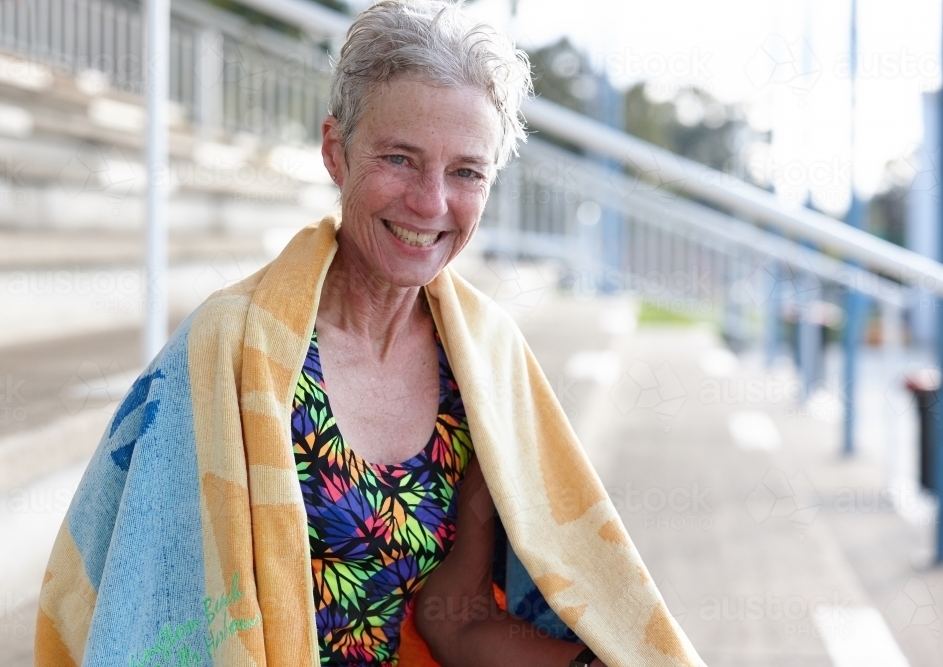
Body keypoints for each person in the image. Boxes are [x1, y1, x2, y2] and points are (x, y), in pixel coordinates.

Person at [36, 2, 703, 666]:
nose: (431, 202)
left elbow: (459, 616)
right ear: (336, 151)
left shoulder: (480, 363)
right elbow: (160, 606)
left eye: (466, 171)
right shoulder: (229, 347)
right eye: (401, 159)